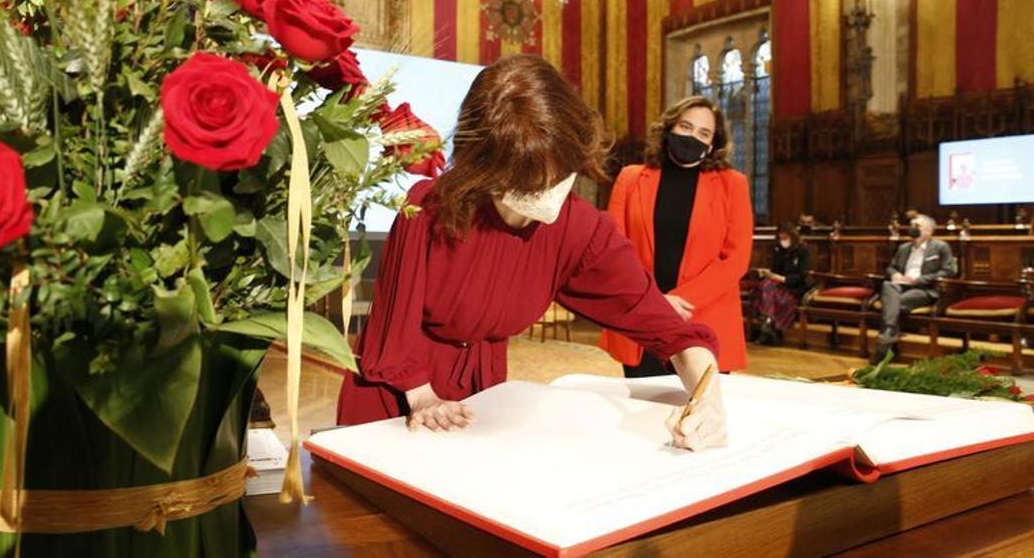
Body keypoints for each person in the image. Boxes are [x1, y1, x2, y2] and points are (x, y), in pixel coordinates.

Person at [336, 55, 727, 451]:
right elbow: (393, 326)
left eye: (560, 174)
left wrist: (706, 398)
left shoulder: (578, 228)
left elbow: (669, 330)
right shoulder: (429, 207)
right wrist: (422, 396)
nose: (549, 191)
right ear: (485, 168)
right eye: (530, 180)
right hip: (397, 400)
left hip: (480, 401)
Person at [600, 96, 753, 377]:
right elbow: (613, 249)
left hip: (705, 320)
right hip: (643, 318)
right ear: (669, 128)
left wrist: (677, 299)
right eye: (686, 127)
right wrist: (653, 300)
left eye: (703, 133)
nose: (692, 136)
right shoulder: (631, 178)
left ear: (712, 144)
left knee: (698, 413)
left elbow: (736, 259)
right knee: (643, 411)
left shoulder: (733, 184)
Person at [872, 214, 956, 364]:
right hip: (900, 286)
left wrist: (919, 279)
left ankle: (886, 341)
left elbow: (948, 271)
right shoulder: (904, 248)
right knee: (888, 285)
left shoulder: (940, 247)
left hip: (924, 289)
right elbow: (891, 267)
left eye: (917, 226)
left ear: (929, 231)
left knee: (890, 303)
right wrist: (896, 274)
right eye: (911, 225)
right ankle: (888, 338)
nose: (912, 229)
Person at [751, 222, 810, 346]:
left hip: (794, 286)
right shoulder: (779, 250)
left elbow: (803, 275)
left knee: (771, 292)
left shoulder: (803, 250)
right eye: (780, 238)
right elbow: (775, 270)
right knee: (765, 285)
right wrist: (767, 273)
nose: (782, 241)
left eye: (785, 238)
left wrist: (784, 279)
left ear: (792, 237)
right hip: (778, 285)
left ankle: (767, 325)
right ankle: (769, 325)